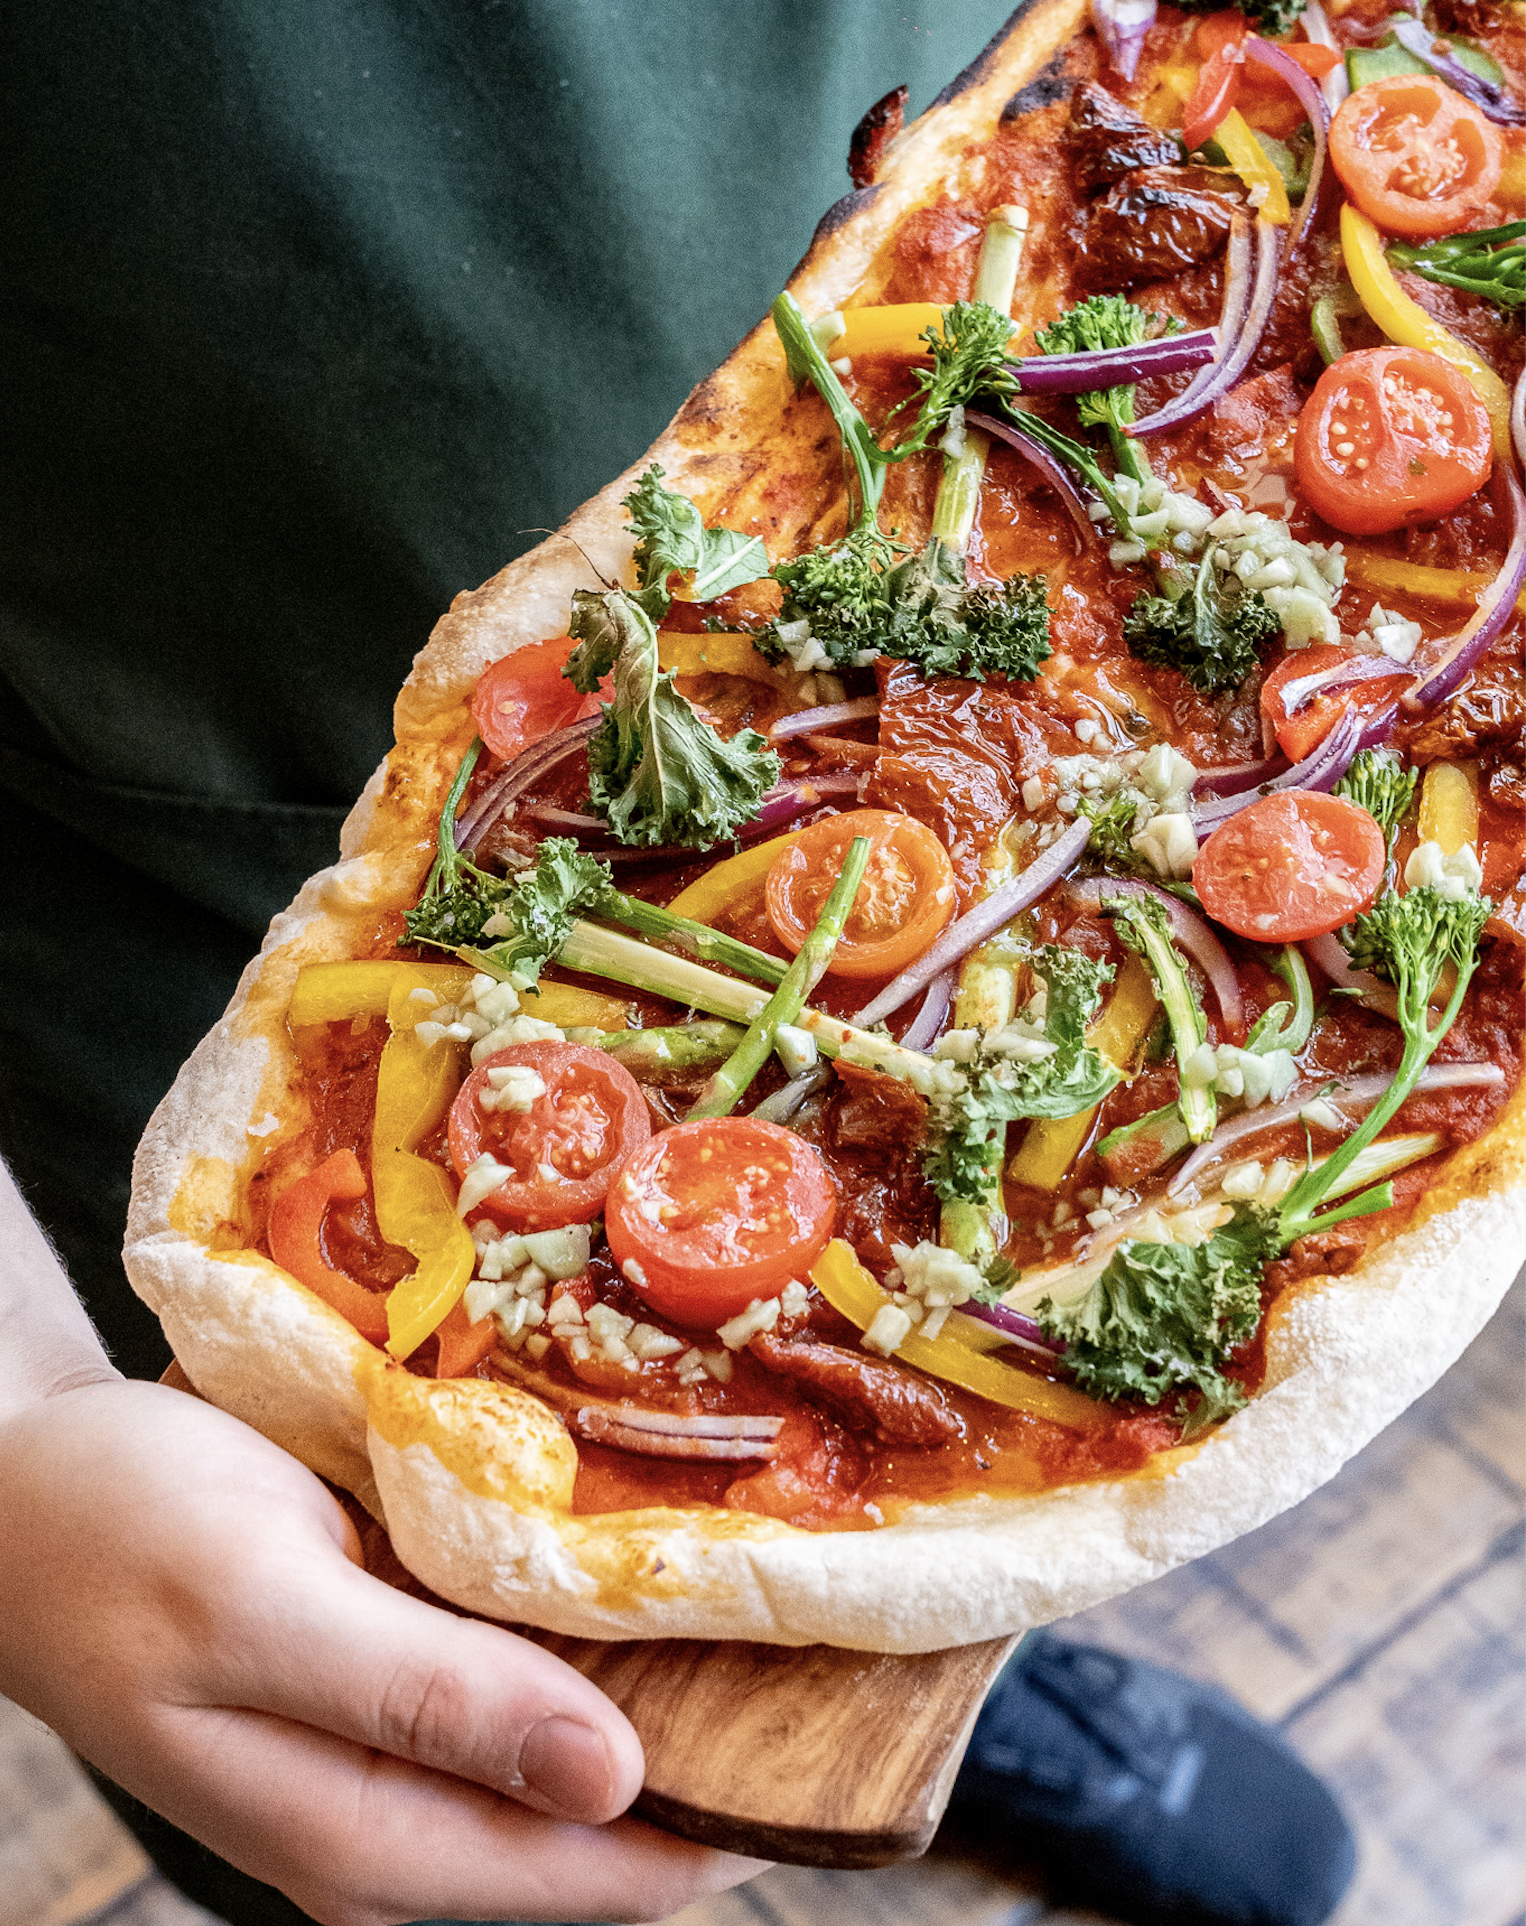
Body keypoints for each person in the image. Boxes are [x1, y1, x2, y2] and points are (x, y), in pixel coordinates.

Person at [0, 5, 1356, 1922]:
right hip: (219, 810)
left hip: (1015, 251)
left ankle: (946, 1671)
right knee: (314, 1681)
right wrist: (14, 1437)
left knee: (1040, 1312)